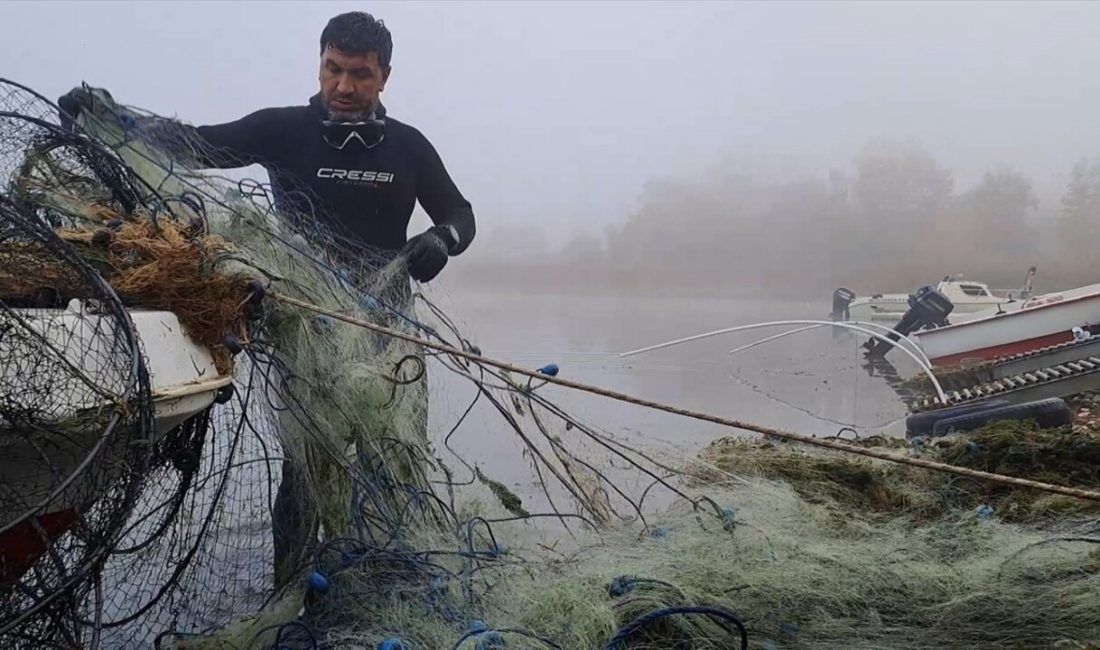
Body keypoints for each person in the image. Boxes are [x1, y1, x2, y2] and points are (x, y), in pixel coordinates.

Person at [59, 11, 476, 588]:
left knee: (395, 463)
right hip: (309, 329)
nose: (344, 87)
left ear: (385, 77)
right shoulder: (284, 130)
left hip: (389, 332)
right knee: (304, 472)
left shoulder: (408, 147)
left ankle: (388, 585)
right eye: (333, 69)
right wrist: (113, 120)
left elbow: (461, 214)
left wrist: (441, 239)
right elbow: (196, 145)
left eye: (360, 74)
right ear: (320, 62)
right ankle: (291, 593)